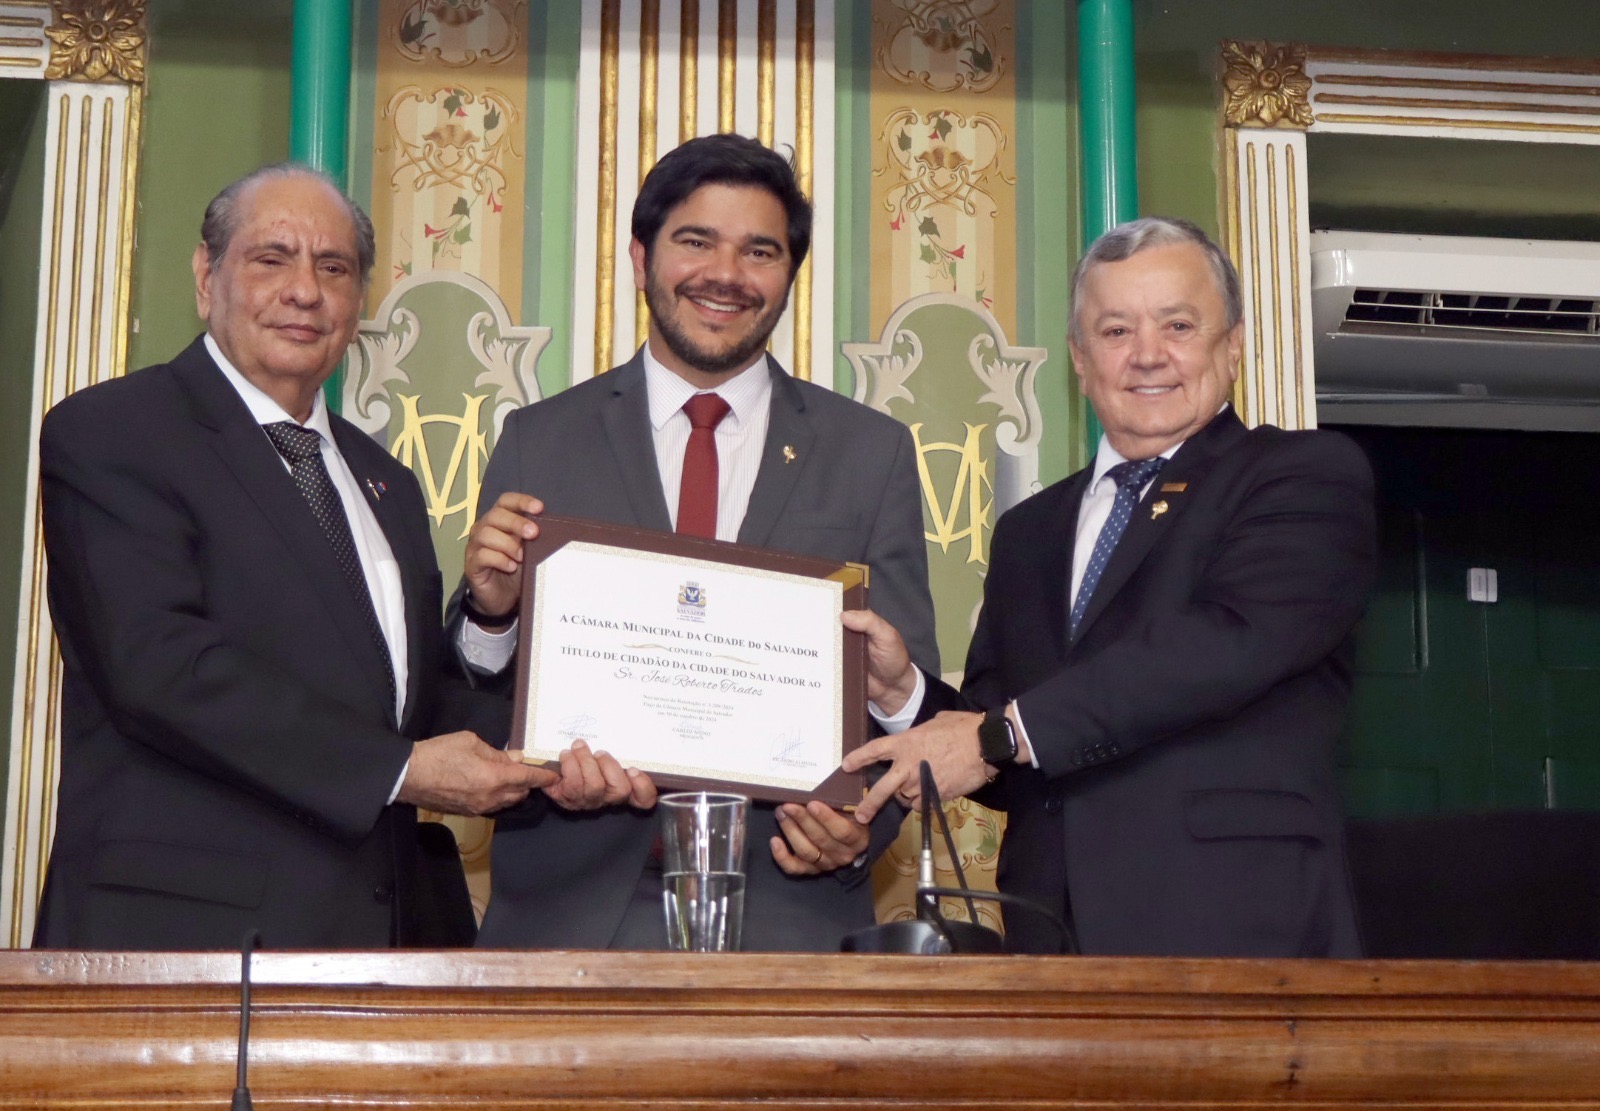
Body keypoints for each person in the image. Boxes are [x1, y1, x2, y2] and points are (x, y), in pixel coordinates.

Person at [34, 164, 553, 950]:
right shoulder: (112, 434)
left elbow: (404, 712)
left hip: (381, 945)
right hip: (187, 944)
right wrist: (402, 771)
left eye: (334, 267)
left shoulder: (388, 483)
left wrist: (559, 742)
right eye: (271, 258)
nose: (305, 291)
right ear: (208, 276)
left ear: (359, 301)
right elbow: (161, 667)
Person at [842, 216, 1376, 957]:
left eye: (1179, 324)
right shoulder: (1030, 529)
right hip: (1049, 940)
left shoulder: (1302, 475)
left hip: (1236, 929)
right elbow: (998, 749)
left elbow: (1220, 648)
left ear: (1235, 344)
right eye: (1116, 330)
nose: (1148, 355)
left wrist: (1001, 733)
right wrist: (903, 694)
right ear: (1079, 359)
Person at [455, 133, 938, 951]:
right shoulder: (540, 438)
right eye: (695, 241)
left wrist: (860, 830)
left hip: (792, 914)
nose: (726, 274)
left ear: (789, 276)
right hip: (568, 915)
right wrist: (490, 614)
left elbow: (902, 695)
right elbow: (469, 698)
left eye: (760, 250)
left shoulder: (871, 452)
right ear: (641, 259)